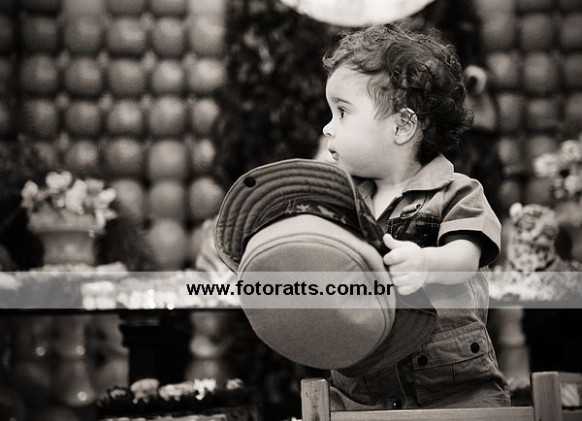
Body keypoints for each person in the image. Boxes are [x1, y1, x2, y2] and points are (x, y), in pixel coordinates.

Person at [320, 24, 509, 410]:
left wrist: (425, 263)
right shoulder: (341, 202)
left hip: (453, 394)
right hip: (362, 394)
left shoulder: (457, 192)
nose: (327, 128)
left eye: (342, 112)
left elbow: (465, 257)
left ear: (402, 126)